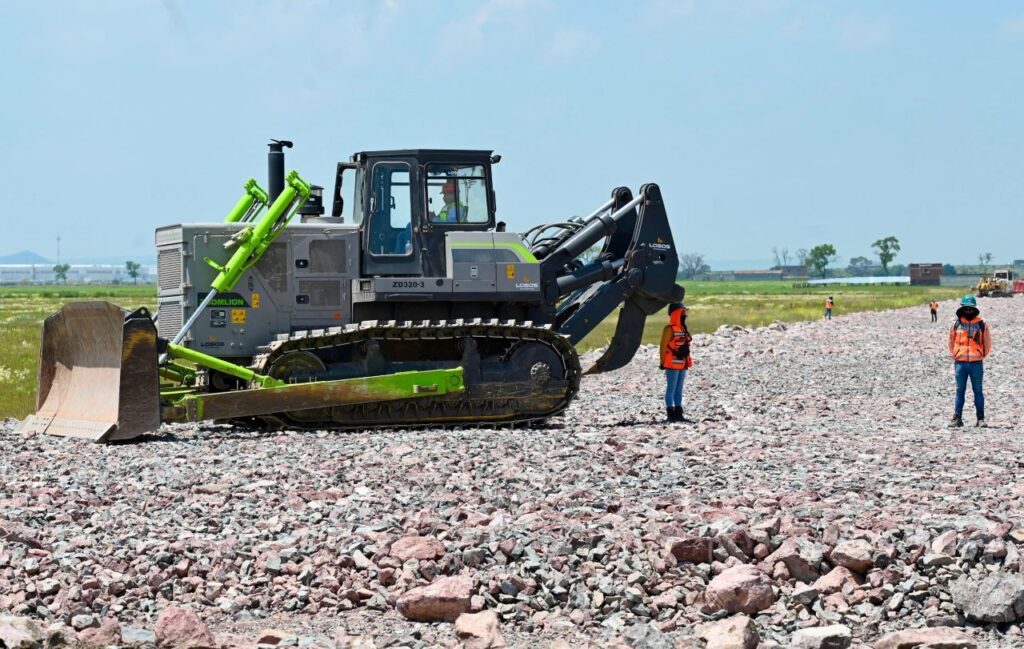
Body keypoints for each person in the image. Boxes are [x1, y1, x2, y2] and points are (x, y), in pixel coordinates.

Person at [947, 294, 991, 428]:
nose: (968, 311)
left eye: (970, 308)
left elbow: (987, 343)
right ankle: (957, 418)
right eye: (966, 308)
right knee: (960, 390)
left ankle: (980, 419)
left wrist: (980, 355)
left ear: (974, 309)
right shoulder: (956, 324)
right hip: (960, 363)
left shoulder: (982, 324)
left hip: (976, 363)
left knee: (978, 391)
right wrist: (956, 354)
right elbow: (951, 341)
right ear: (962, 308)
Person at [659, 302, 693, 423]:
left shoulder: (682, 329)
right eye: (682, 312)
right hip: (672, 364)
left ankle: (678, 413)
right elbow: (663, 347)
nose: (685, 315)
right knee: (671, 389)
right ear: (676, 313)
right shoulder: (669, 329)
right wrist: (662, 362)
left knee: (679, 389)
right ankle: (670, 413)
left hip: (682, 363)